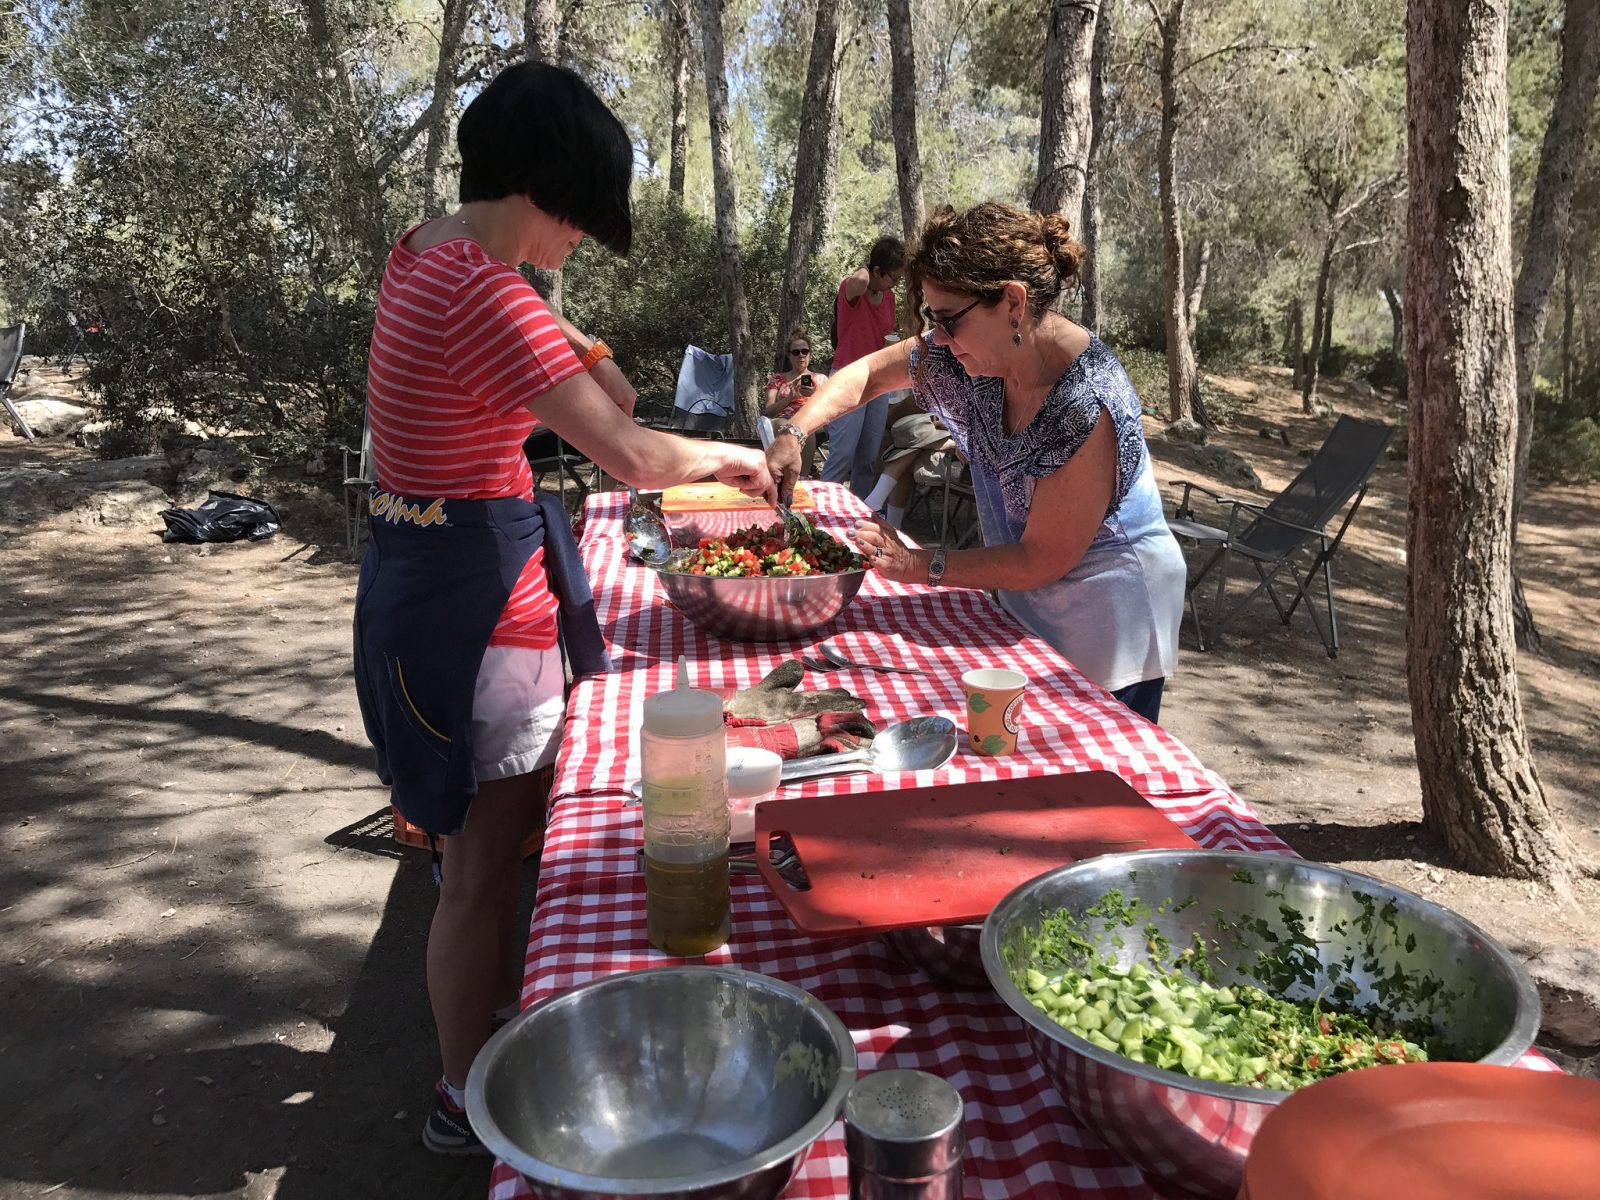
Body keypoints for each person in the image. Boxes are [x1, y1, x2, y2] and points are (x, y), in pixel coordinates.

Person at [352, 61, 771, 1158]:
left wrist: (580, 342)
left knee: (476, 858)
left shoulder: (430, 249)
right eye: (581, 213)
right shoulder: (487, 293)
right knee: (483, 869)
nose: (581, 236)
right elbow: (634, 452)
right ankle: (464, 1095)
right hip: (477, 615)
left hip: (420, 578)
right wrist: (733, 458)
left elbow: (580, 365)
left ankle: (488, 1026)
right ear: (547, 185)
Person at [765, 201, 1184, 722]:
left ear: (1012, 302)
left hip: (1110, 621)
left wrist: (919, 564)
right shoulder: (966, 356)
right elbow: (866, 375)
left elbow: (1041, 559)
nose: (937, 339)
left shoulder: (1084, 401)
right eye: (931, 320)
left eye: (948, 321)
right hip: (1027, 599)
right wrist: (794, 432)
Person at [819, 236, 904, 496]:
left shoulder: (889, 298)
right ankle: (820, 512)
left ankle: (857, 511)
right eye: (893, 277)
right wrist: (868, 267)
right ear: (877, 271)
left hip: (878, 382)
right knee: (842, 455)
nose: (895, 284)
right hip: (848, 377)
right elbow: (860, 280)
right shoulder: (853, 288)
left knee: (867, 458)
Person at [764, 325, 826, 473]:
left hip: (811, 421)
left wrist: (814, 396)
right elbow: (768, 411)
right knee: (789, 426)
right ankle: (784, 473)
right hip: (783, 420)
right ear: (789, 355)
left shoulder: (821, 379)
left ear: (810, 354)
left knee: (804, 428)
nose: (801, 355)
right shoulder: (778, 379)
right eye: (796, 352)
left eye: (805, 351)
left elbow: (830, 409)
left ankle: (802, 477)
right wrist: (790, 397)